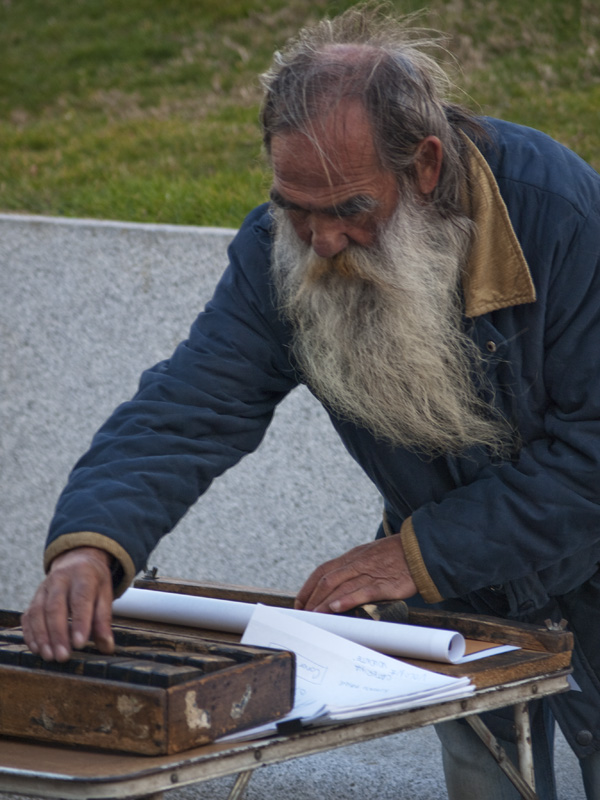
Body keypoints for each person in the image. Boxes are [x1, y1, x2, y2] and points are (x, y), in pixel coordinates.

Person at [21, 5, 600, 798]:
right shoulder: (282, 245)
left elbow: (595, 452)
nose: (321, 240)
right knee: (487, 776)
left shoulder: (560, 215)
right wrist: (91, 545)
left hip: (550, 557)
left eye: (350, 210)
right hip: (457, 592)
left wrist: (413, 553)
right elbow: (190, 403)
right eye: (296, 205)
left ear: (424, 167)